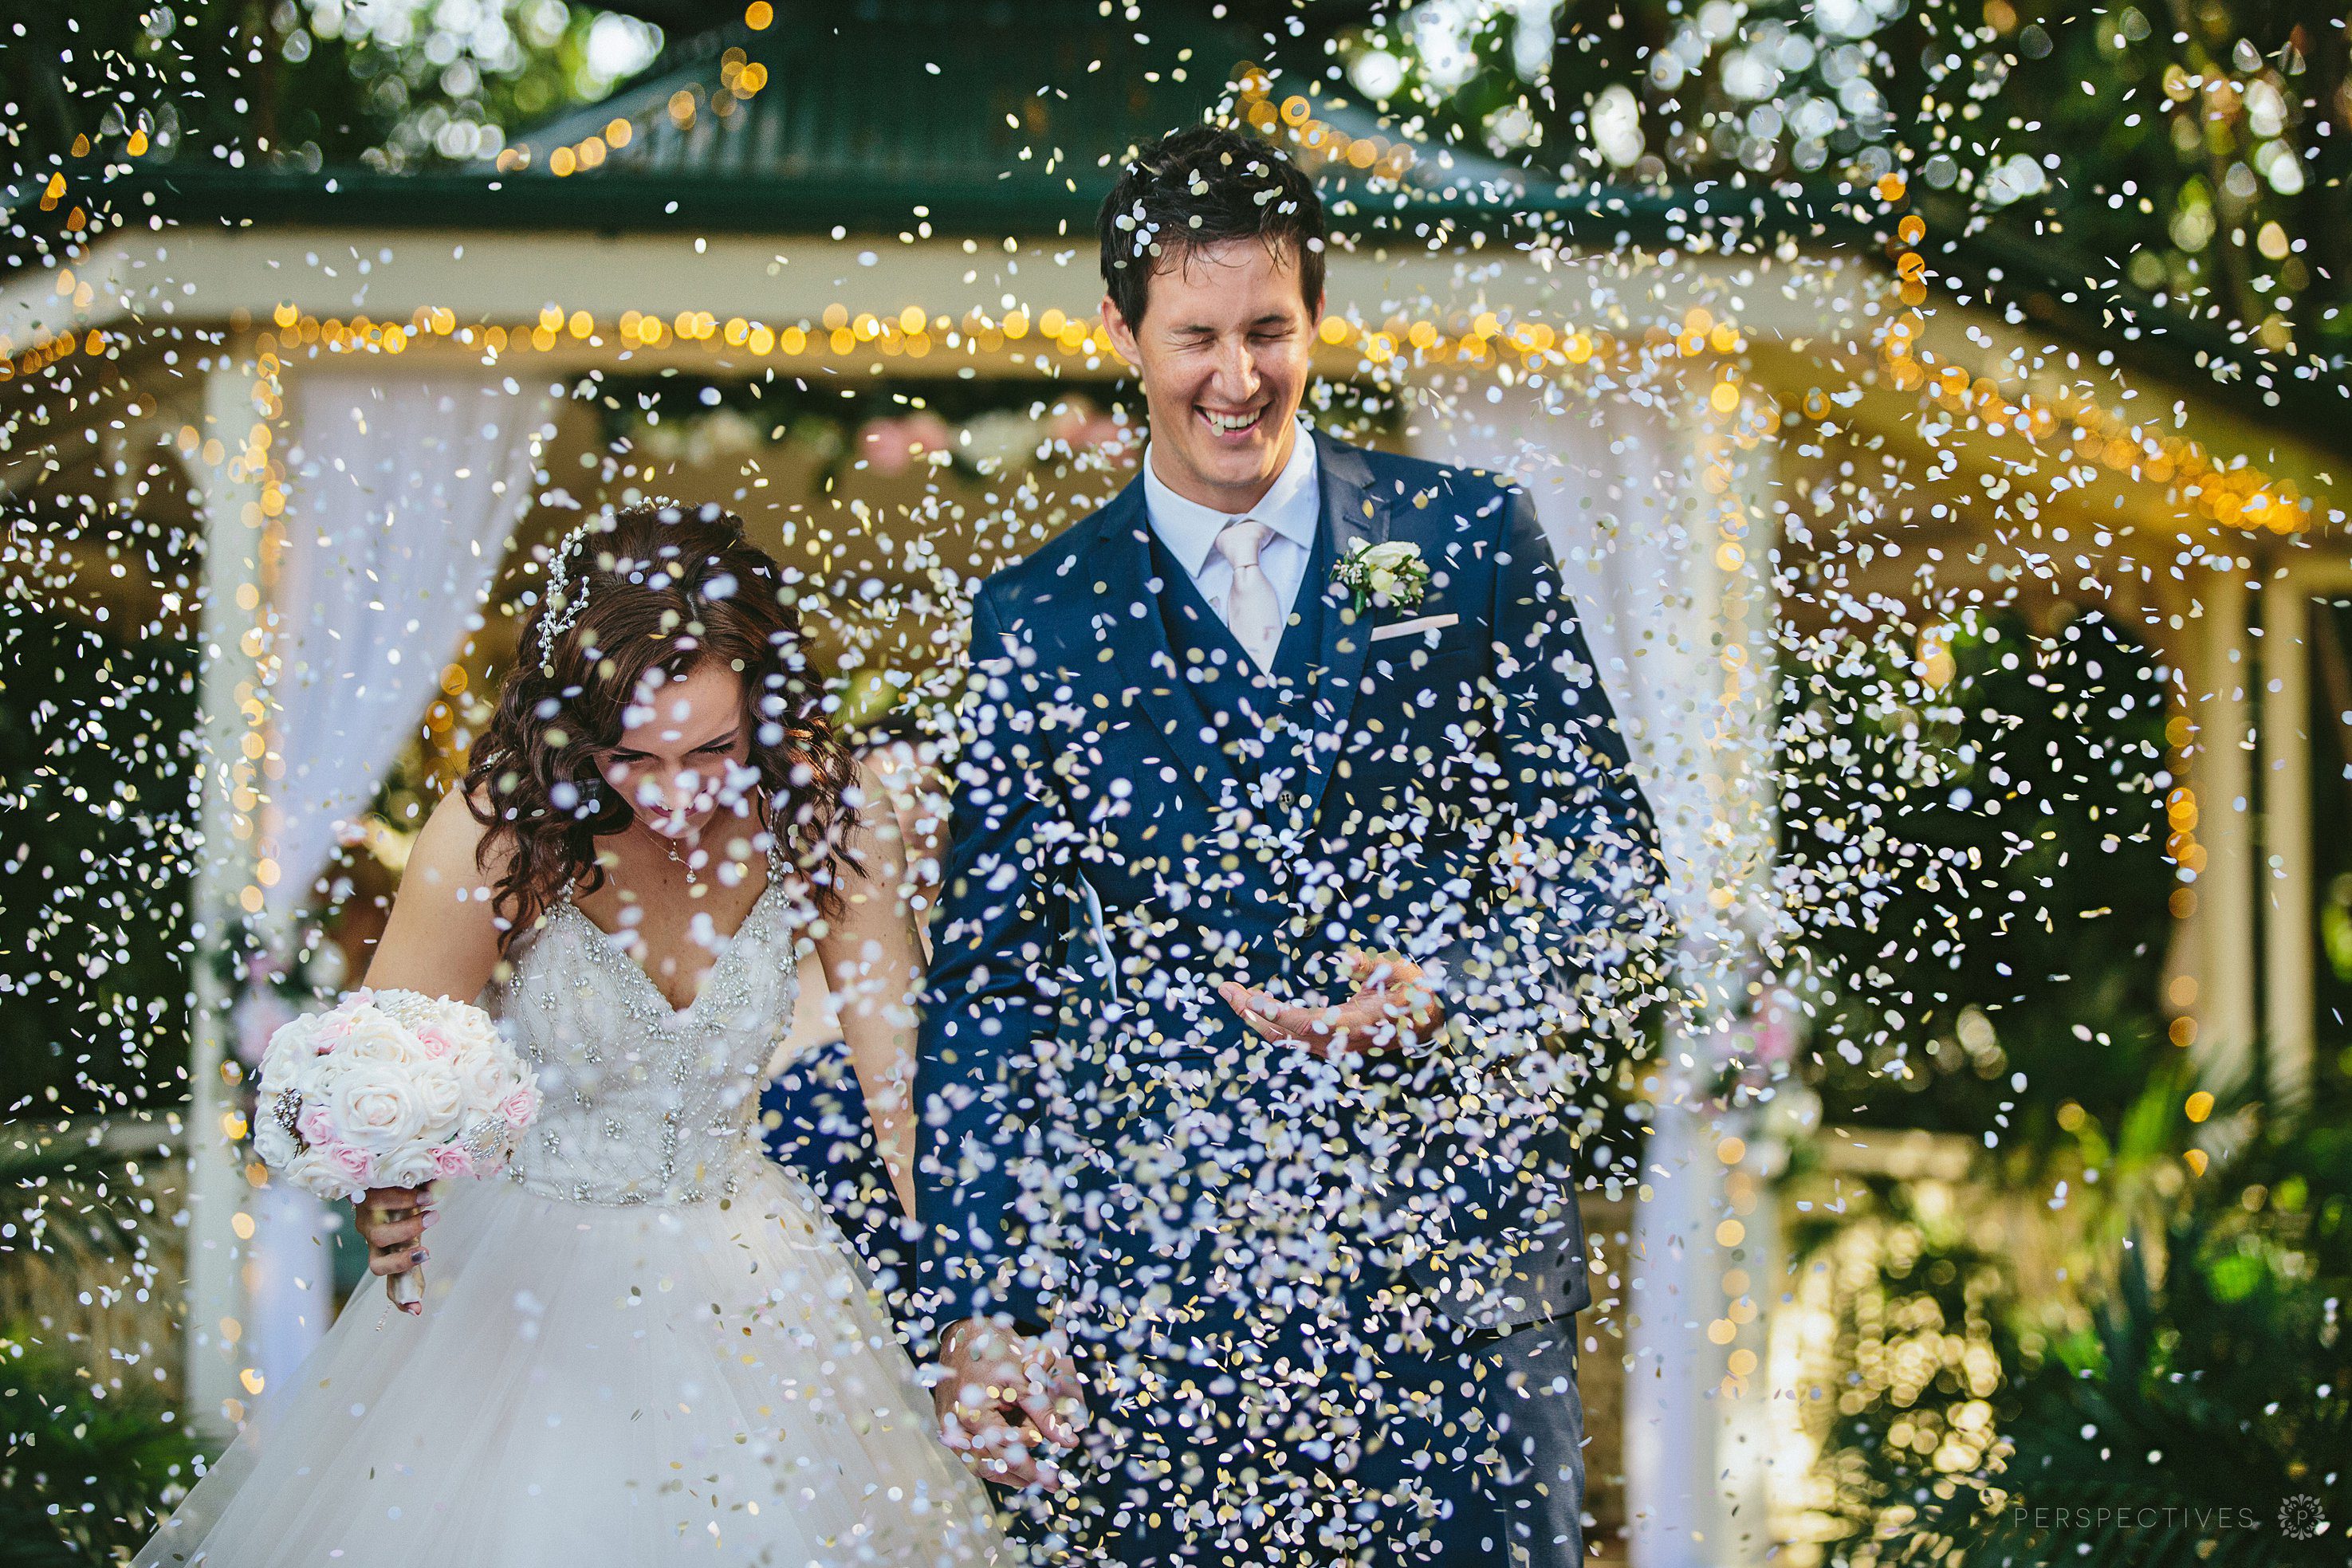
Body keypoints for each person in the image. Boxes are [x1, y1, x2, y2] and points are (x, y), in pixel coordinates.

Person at [915, 128, 1668, 1565]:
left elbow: (1606, 865)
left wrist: (1449, 983)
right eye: (1194, 336)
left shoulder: (1465, 542)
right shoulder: (1038, 619)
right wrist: (980, 1306)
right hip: (1159, 1298)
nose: (1236, 379)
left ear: (1316, 318)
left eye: (1269, 330)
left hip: (1458, 1275)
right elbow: (988, 991)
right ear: (1120, 332)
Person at [136, 503, 1006, 1566]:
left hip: (755, 1277)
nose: (678, 794)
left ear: (766, 708)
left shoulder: (825, 812)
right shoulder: (502, 828)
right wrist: (391, 1182)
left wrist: (979, 1310)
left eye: (714, 751)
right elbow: (395, 1058)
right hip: (520, 1284)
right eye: (634, 758)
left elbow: (906, 1095)